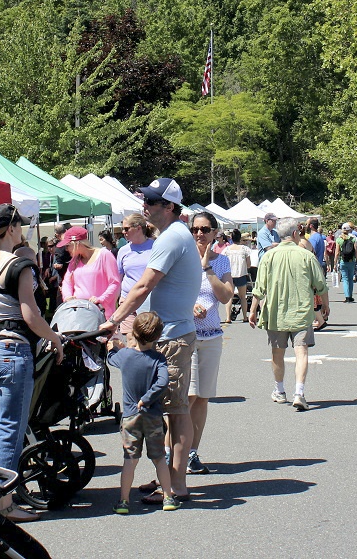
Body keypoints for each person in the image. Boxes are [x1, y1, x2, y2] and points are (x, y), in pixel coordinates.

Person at [96, 178, 200, 504]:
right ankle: (167, 480)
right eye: (145, 201)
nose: (146, 207)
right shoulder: (173, 235)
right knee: (169, 410)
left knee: (175, 411)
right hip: (168, 334)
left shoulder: (172, 238)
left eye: (152, 202)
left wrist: (112, 320)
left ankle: (178, 485)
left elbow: (143, 286)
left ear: (169, 206)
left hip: (173, 337)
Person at [0, 203, 64, 520]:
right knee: (11, 427)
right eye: (20, 225)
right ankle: (3, 502)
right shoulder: (18, 266)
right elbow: (30, 314)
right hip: (11, 350)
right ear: (12, 228)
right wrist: (54, 338)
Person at [249, 217, 330, 411]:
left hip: (276, 312)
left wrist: (252, 311)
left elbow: (259, 288)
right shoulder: (306, 256)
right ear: (295, 233)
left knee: (278, 352)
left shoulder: (269, 256)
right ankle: (299, 392)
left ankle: (279, 390)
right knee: (301, 351)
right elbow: (320, 285)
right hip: (302, 311)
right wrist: (325, 305)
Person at [109, 312, 175, 514]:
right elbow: (163, 382)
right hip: (153, 415)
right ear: (157, 337)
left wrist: (113, 346)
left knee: (130, 458)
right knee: (158, 458)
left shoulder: (125, 356)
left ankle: (124, 501)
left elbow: (111, 357)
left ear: (133, 334)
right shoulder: (158, 359)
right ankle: (168, 497)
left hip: (130, 416)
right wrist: (147, 398)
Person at [186, 212, 233, 475]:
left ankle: (192, 452)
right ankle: (174, 451)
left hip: (212, 334)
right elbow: (171, 292)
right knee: (189, 396)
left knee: (203, 397)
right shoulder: (182, 259)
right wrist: (189, 305)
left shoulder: (222, 261)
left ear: (215, 232)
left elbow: (226, 297)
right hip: (187, 335)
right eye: (195, 229)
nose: (199, 234)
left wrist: (207, 268)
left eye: (205, 229)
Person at [60, 226, 121, 318]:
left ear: (77, 243)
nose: (66, 249)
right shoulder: (74, 261)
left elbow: (115, 283)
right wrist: (67, 297)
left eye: (67, 245)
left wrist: (101, 299)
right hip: (78, 314)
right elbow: (67, 282)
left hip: (101, 314)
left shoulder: (104, 255)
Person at [116, 214, 155, 334]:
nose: (123, 232)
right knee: (131, 341)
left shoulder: (156, 246)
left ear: (138, 228)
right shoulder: (123, 251)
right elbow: (119, 277)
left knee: (147, 340)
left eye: (126, 229)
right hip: (127, 301)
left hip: (149, 301)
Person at [222, 229, 252, 324]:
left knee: (229, 297)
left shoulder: (226, 249)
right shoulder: (245, 249)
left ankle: (228, 317)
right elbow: (248, 264)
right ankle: (244, 316)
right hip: (241, 274)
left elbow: (223, 261)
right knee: (243, 297)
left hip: (230, 275)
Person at [335, 223, 357, 302]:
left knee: (345, 279)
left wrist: (335, 263)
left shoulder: (339, 239)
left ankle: (347, 297)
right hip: (351, 261)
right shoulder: (353, 239)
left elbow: (337, 252)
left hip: (343, 261)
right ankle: (350, 296)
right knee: (350, 279)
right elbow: (356, 252)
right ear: (349, 230)